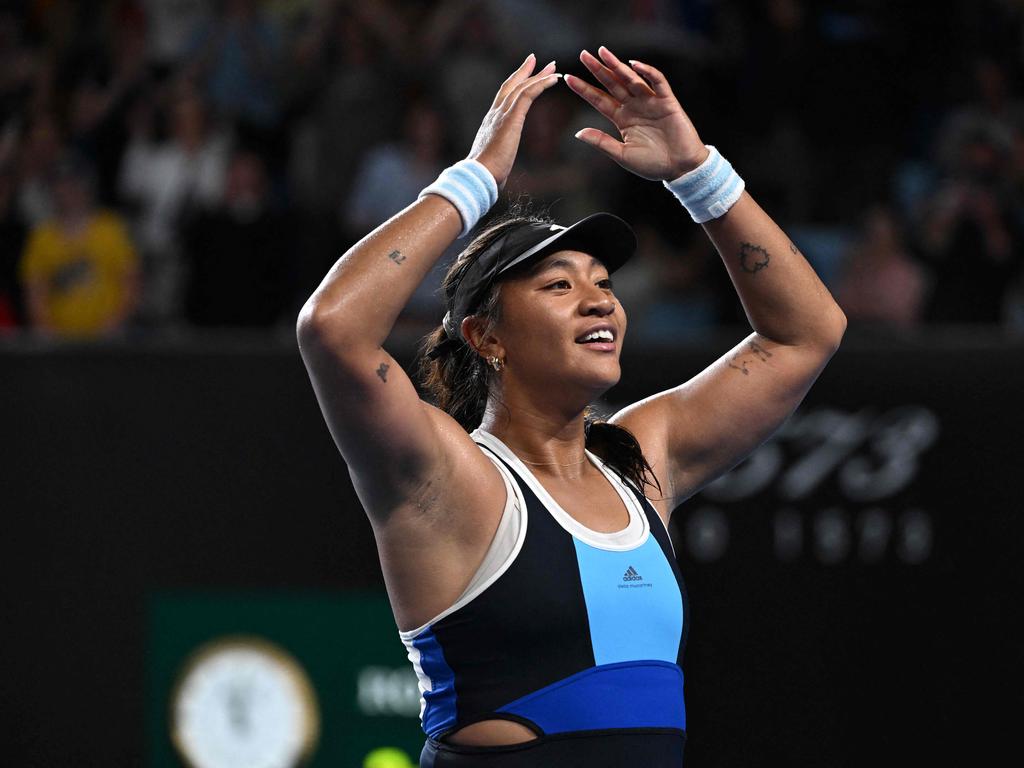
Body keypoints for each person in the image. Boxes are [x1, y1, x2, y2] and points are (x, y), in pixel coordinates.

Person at [297, 47, 846, 767]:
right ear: (485, 336)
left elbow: (809, 333)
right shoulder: (446, 475)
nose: (599, 299)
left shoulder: (640, 461)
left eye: (603, 283)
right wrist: (475, 183)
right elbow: (332, 329)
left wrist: (697, 173)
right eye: (558, 285)